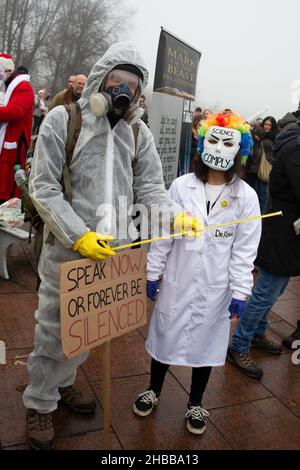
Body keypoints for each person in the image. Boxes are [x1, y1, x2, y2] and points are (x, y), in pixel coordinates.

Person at [23, 41, 201, 450]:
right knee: (54, 330)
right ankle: (40, 402)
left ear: (139, 94)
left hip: (112, 254)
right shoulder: (61, 120)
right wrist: (78, 234)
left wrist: (173, 216)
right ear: (101, 80)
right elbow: (44, 188)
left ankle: (63, 383)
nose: (122, 92)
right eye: (116, 82)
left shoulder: (138, 133)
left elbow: (151, 188)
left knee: (86, 330)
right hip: (68, 252)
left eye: (131, 87)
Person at [133, 112, 261, 435]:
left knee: (206, 345)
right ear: (203, 143)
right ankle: (154, 389)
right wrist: (154, 270)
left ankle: (195, 403)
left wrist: (239, 291)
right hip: (178, 279)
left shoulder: (246, 197)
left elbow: (245, 251)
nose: (219, 149)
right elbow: (164, 233)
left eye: (227, 142)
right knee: (165, 336)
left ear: (239, 150)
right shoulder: (180, 187)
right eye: (213, 140)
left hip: (216, 287)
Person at [228, 114, 300, 379]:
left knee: (275, 288)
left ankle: (257, 332)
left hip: (286, 233)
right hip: (282, 233)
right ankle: (239, 345)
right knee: (266, 292)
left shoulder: (291, 142)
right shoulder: (295, 147)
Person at [0, 53, 34, 204]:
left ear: (7, 70)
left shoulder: (23, 87)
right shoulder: (9, 85)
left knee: (8, 179)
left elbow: (15, 111)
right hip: (8, 139)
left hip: (15, 141)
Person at [246, 116, 279, 213]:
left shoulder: (275, 137)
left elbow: (275, 155)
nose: (267, 127)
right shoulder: (257, 135)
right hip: (252, 170)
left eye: (269, 125)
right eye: (265, 124)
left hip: (264, 170)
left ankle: (260, 218)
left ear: (273, 126)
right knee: (250, 195)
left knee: (262, 197)